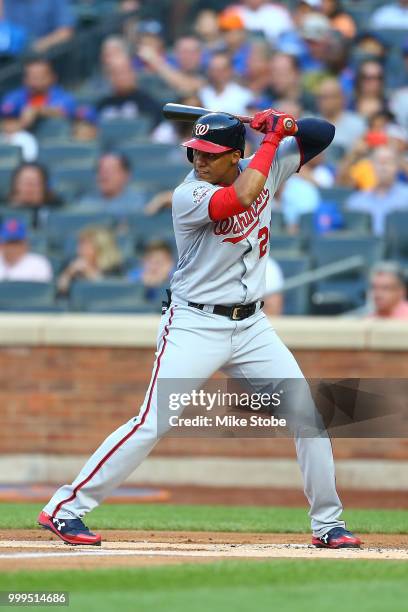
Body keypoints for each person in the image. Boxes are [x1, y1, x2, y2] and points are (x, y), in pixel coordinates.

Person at [38, 107, 361, 550]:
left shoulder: (260, 164)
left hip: (252, 326)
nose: (199, 161)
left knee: (309, 417)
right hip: (195, 322)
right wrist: (269, 140)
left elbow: (323, 130)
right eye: (195, 152)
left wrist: (274, 122)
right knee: (152, 421)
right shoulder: (188, 194)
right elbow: (240, 200)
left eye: (210, 154)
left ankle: (329, 524)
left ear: (235, 156)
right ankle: (65, 508)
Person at [1, 56, 76, 131]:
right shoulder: (15, 96)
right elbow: (5, 113)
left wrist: (36, 110)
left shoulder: (63, 96)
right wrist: (19, 123)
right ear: (24, 79)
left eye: (40, 77)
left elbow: (63, 111)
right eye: (31, 76)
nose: (35, 81)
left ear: (53, 77)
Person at [346, 146, 408, 236]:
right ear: (371, 166)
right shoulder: (356, 201)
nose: (383, 167)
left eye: (388, 162)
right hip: (368, 248)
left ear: (397, 166)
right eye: (379, 162)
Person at [97, 55, 162, 126]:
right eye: (115, 73)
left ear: (133, 73)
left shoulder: (147, 102)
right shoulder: (103, 104)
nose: (120, 77)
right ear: (109, 77)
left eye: (124, 72)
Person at [57, 226, 123, 295]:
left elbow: (109, 292)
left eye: (85, 246)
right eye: (79, 245)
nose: (78, 250)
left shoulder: (114, 268)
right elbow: (60, 293)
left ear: (100, 248)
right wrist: (68, 274)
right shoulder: (70, 263)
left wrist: (89, 272)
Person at [79, 152, 146, 216]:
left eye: (110, 171)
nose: (103, 175)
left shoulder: (138, 203)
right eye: (100, 170)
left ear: (126, 175)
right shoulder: (86, 203)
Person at [3, 0, 75, 53]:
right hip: (13, 54)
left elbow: (66, 32)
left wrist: (37, 47)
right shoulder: (10, 2)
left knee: (36, 67)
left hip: (49, 53)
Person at [317, 77, 366, 151]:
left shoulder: (357, 123)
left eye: (332, 96)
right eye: (324, 97)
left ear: (342, 98)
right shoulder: (310, 124)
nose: (328, 101)